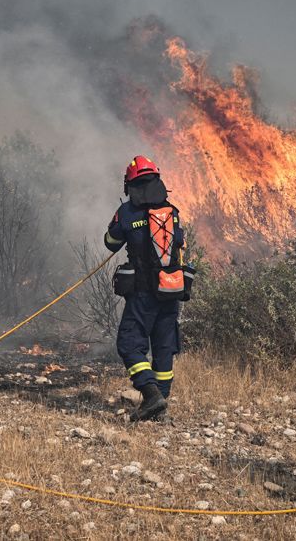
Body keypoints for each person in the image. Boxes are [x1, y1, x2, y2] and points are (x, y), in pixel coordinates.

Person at [105, 155, 192, 422]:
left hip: (143, 294)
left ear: (129, 185)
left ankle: (151, 393)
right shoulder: (171, 212)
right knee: (164, 346)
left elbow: (111, 242)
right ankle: (160, 406)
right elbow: (178, 243)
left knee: (129, 342)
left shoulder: (127, 213)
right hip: (170, 290)